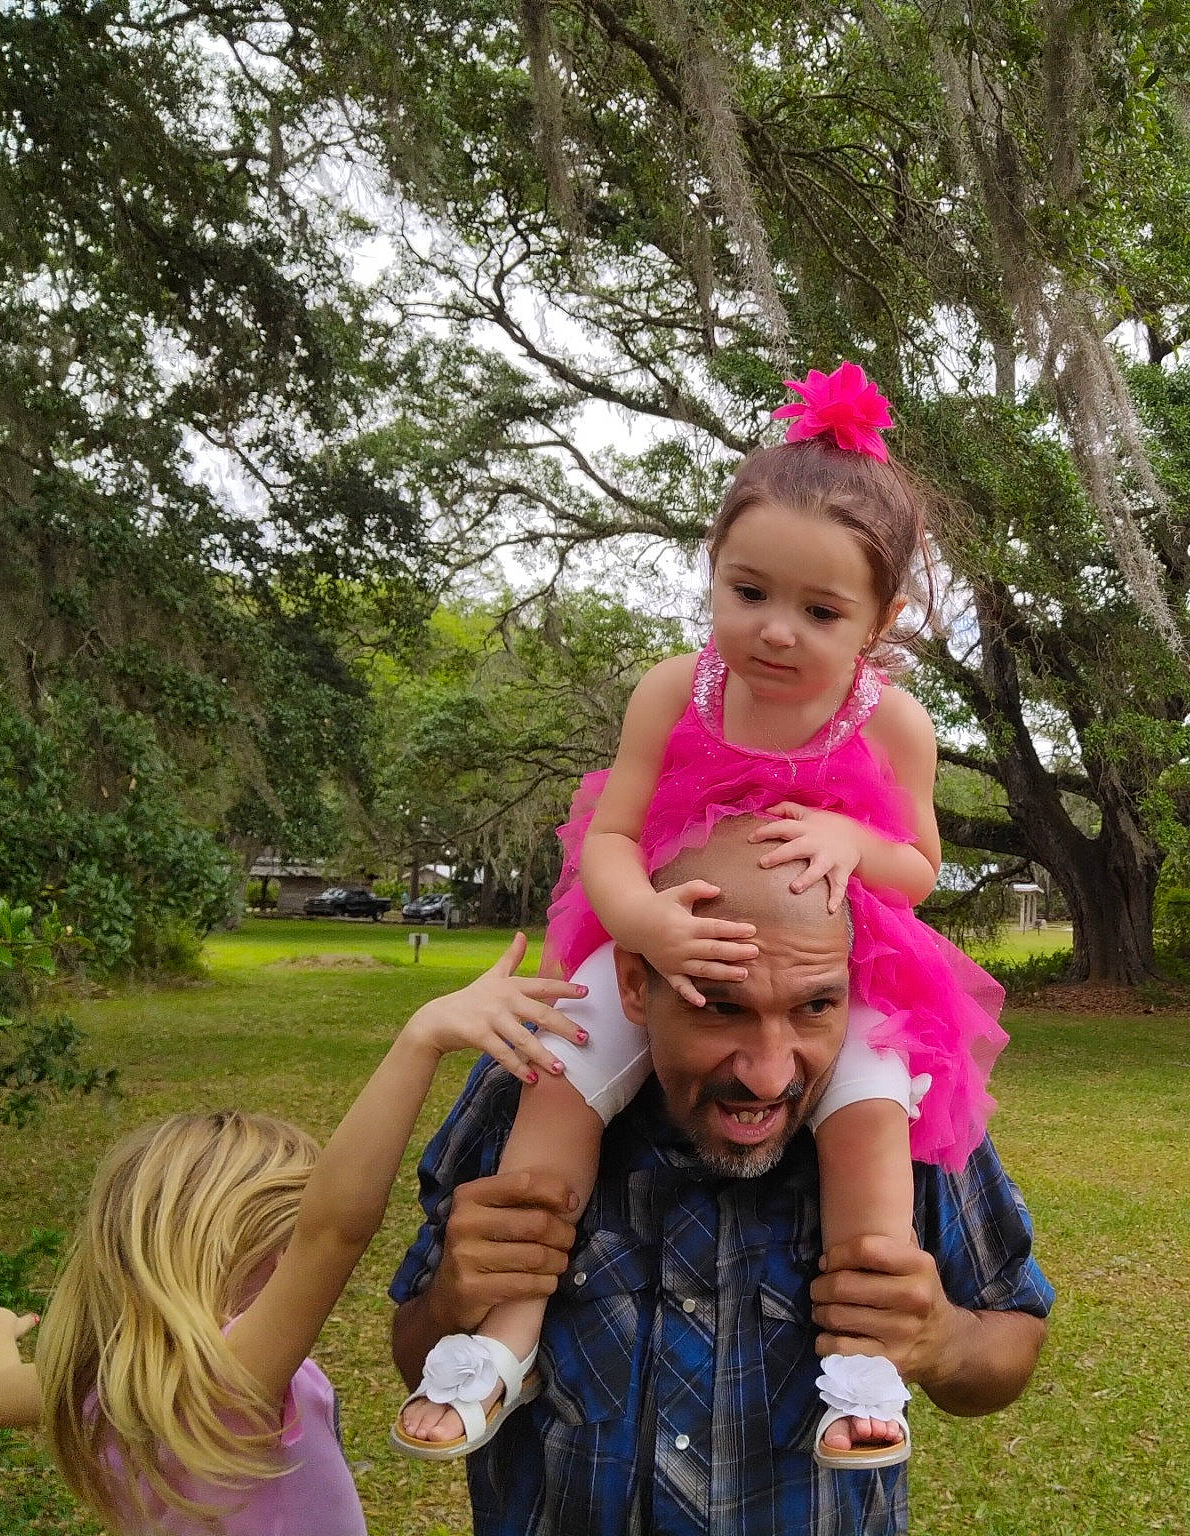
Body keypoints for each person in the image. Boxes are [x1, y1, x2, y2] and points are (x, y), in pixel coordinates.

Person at [394, 364, 1006, 1469]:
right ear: (713, 576)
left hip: (839, 966)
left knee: (870, 1121)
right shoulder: (678, 688)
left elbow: (916, 864)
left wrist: (849, 844)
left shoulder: (893, 725)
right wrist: (645, 930)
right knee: (559, 1075)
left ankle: (861, 1369)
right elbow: (613, 835)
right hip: (666, 941)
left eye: (820, 612)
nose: (775, 633)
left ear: (880, 620)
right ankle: (506, 1332)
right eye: (747, 592)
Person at [388, 819, 1051, 1536]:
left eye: (815, 1007)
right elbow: (415, 1350)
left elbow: (1012, 1334)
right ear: (637, 987)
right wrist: (455, 1295)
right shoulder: (524, 1092)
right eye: (722, 1007)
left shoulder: (908, 1118)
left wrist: (944, 1340)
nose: (769, 1073)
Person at [0, 940, 582, 1536]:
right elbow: (335, 1230)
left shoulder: (107, 1380)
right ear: (234, 1248)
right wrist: (421, 1039)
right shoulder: (224, 1384)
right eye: (284, 1238)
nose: (291, 1260)